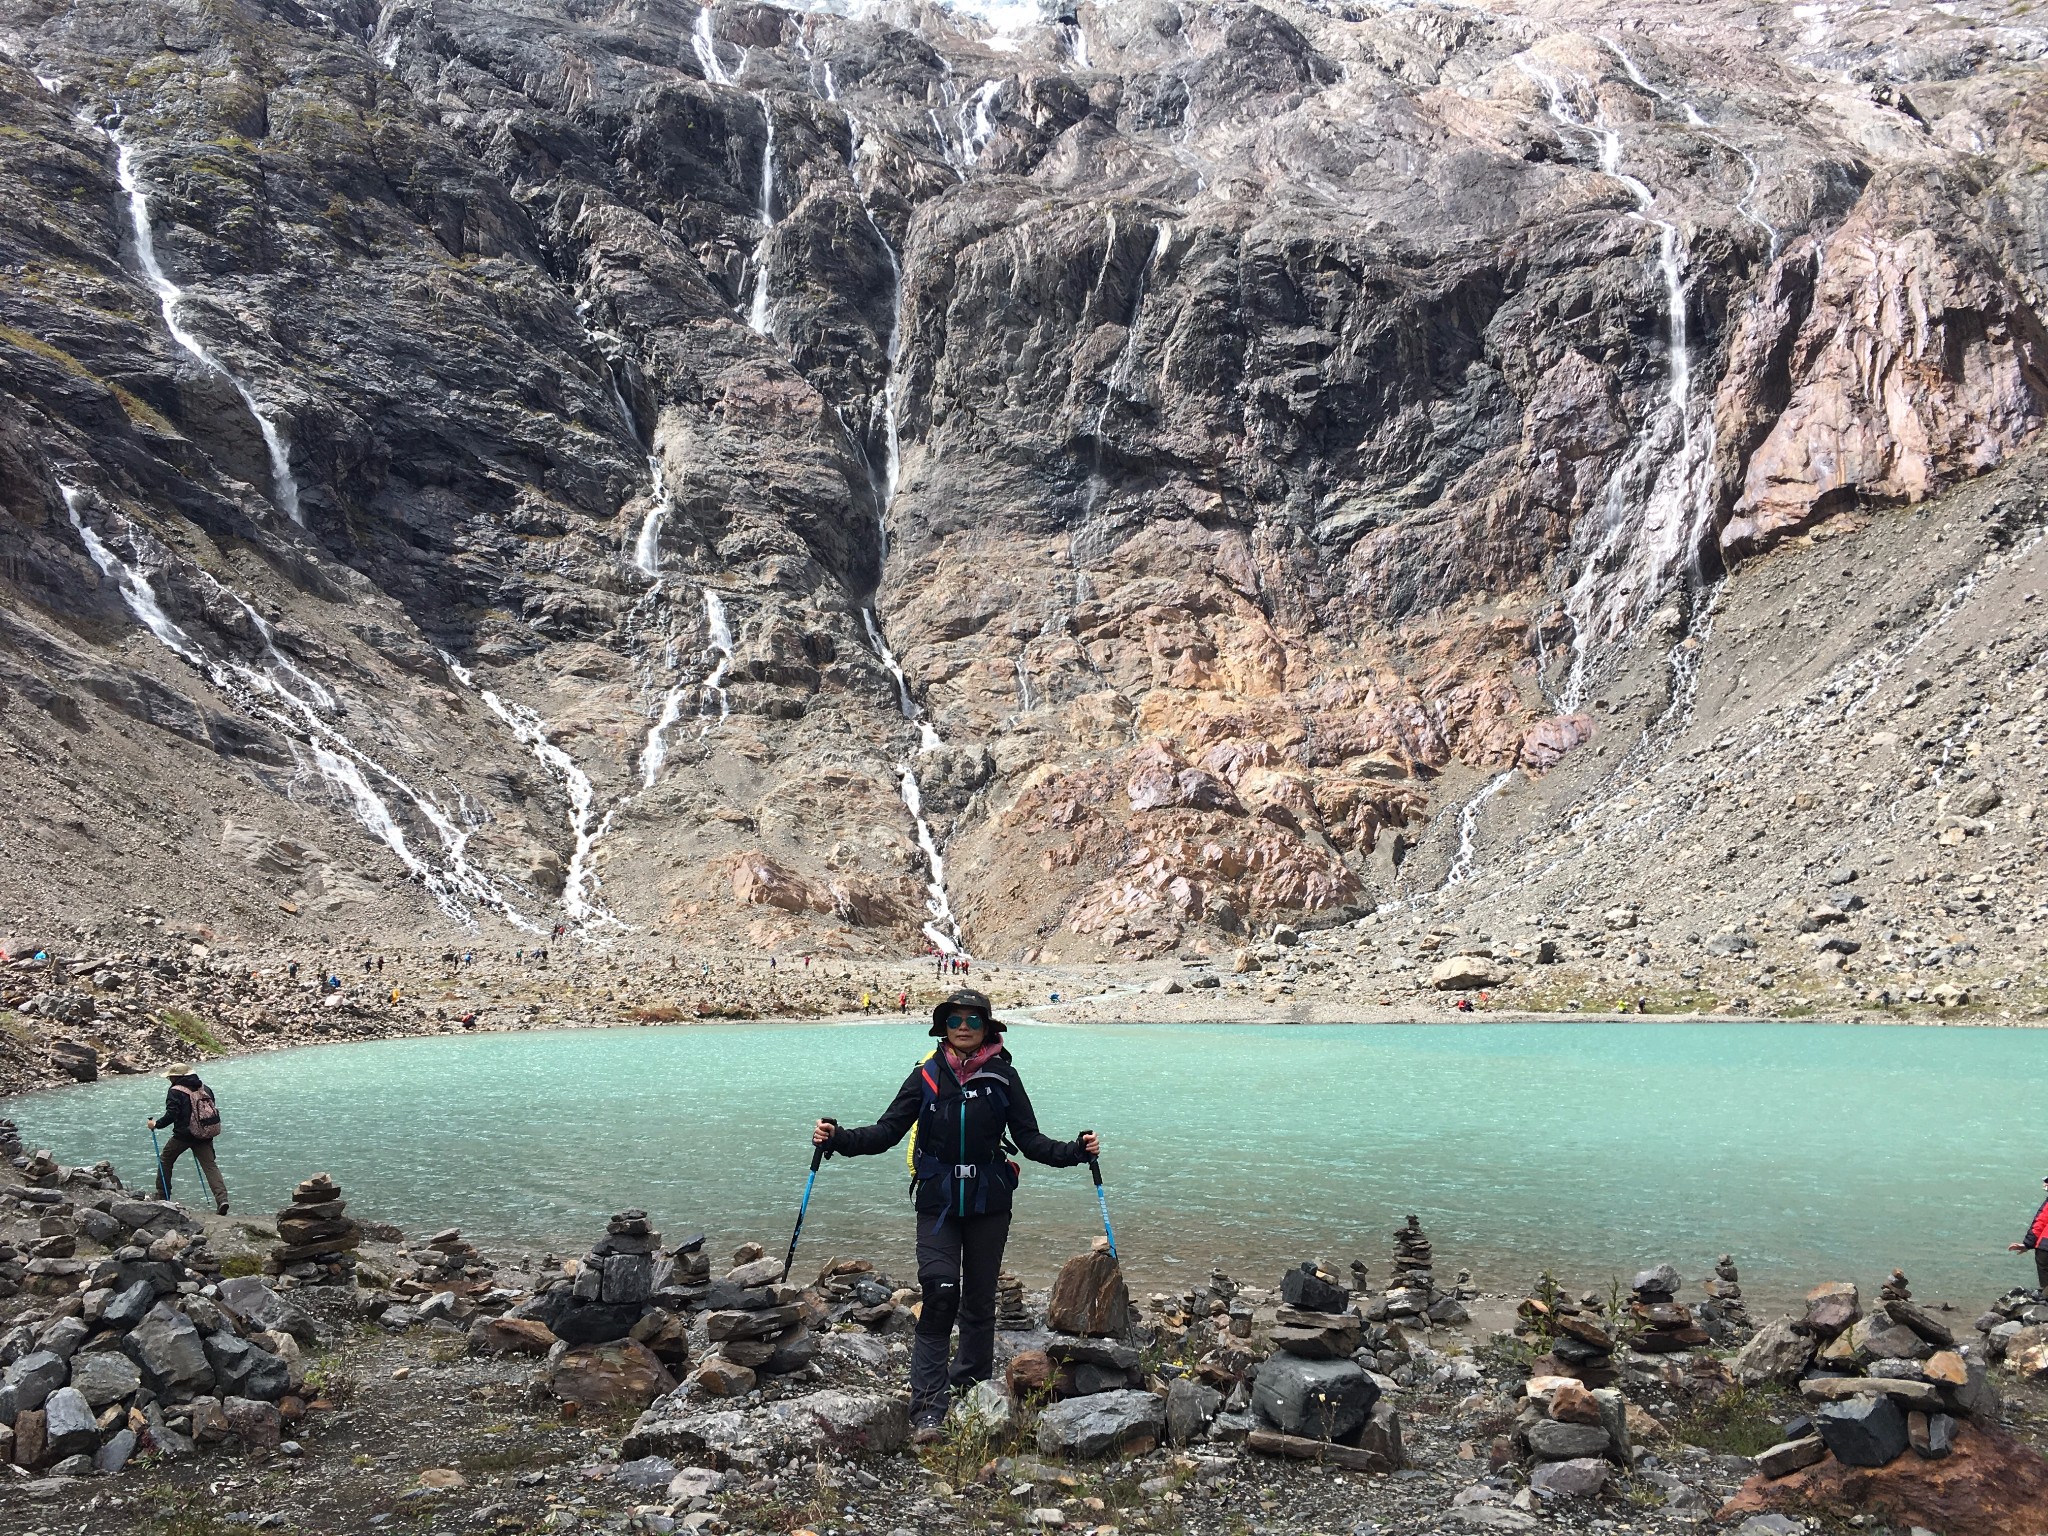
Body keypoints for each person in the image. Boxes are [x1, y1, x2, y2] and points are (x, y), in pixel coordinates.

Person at [813, 988, 1099, 1438]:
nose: (963, 1027)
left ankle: (970, 1391)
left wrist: (1075, 1152)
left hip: (989, 1201)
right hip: (939, 1202)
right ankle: (928, 1407)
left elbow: (1031, 1141)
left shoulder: (1004, 1078)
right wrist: (838, 1139)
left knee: (981, 1300)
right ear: (942, 1027)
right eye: (954, 1020)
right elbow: (887, 1131)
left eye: (972, 1020)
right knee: (941, 1290)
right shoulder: (926, 1076)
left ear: (987, 1027)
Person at [147, 1062, 229, 1215]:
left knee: (165, 1160)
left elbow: (172, 1114)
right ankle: (222, 1199)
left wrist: (156, 1124)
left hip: (183, 1136)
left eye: (171, 1077)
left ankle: (163, 1195)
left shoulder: (175, 1091)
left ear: (176, 1077)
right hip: (205, 1134)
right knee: (210, 1166)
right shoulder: (205, 1088)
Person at [2008, 1175, 2048, 1290]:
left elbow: (2040, 1223)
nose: (2044, 1184)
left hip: (2045, 1248)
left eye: (2047, 1181)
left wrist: (2027, 1244)